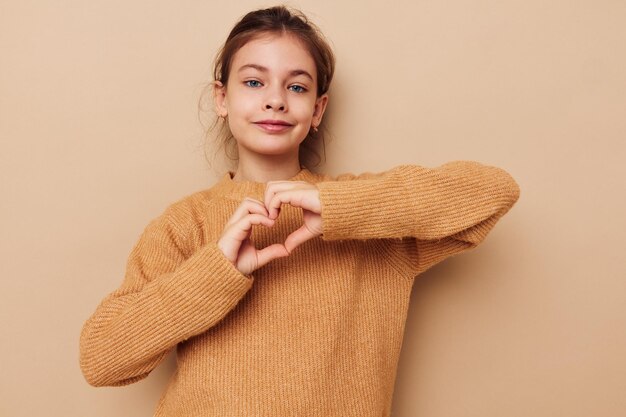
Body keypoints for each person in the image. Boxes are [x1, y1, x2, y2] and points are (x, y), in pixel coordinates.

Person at [79, 5, 520, 417]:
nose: (276, 100)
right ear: (222, 98)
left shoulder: (370, 219)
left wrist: (338, 207)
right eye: (254, 82)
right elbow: (101, 360)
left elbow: (494, 191)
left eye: (296, 86)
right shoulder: (184, 224)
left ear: (318, 109)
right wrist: (217, 270)